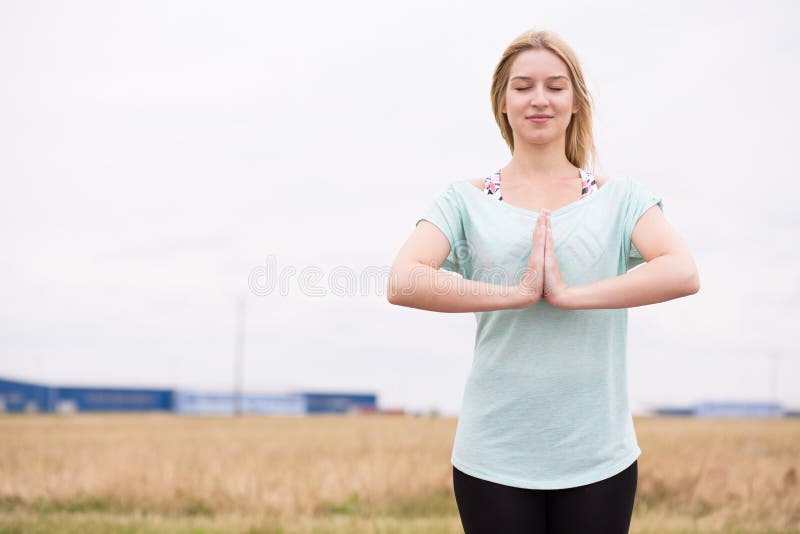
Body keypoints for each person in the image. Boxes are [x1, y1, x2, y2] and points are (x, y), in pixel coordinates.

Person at [386, 28, 700, 533]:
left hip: (599, 456)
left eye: (555, 86)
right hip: (493, 457)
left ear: (575, 101)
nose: (539, 99)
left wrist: (572, 296)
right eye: (523, 86)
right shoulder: (464, 198)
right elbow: (403, 279)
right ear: (502, 102)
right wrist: (514, 295)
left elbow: (682, 270)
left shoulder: (617, 197)